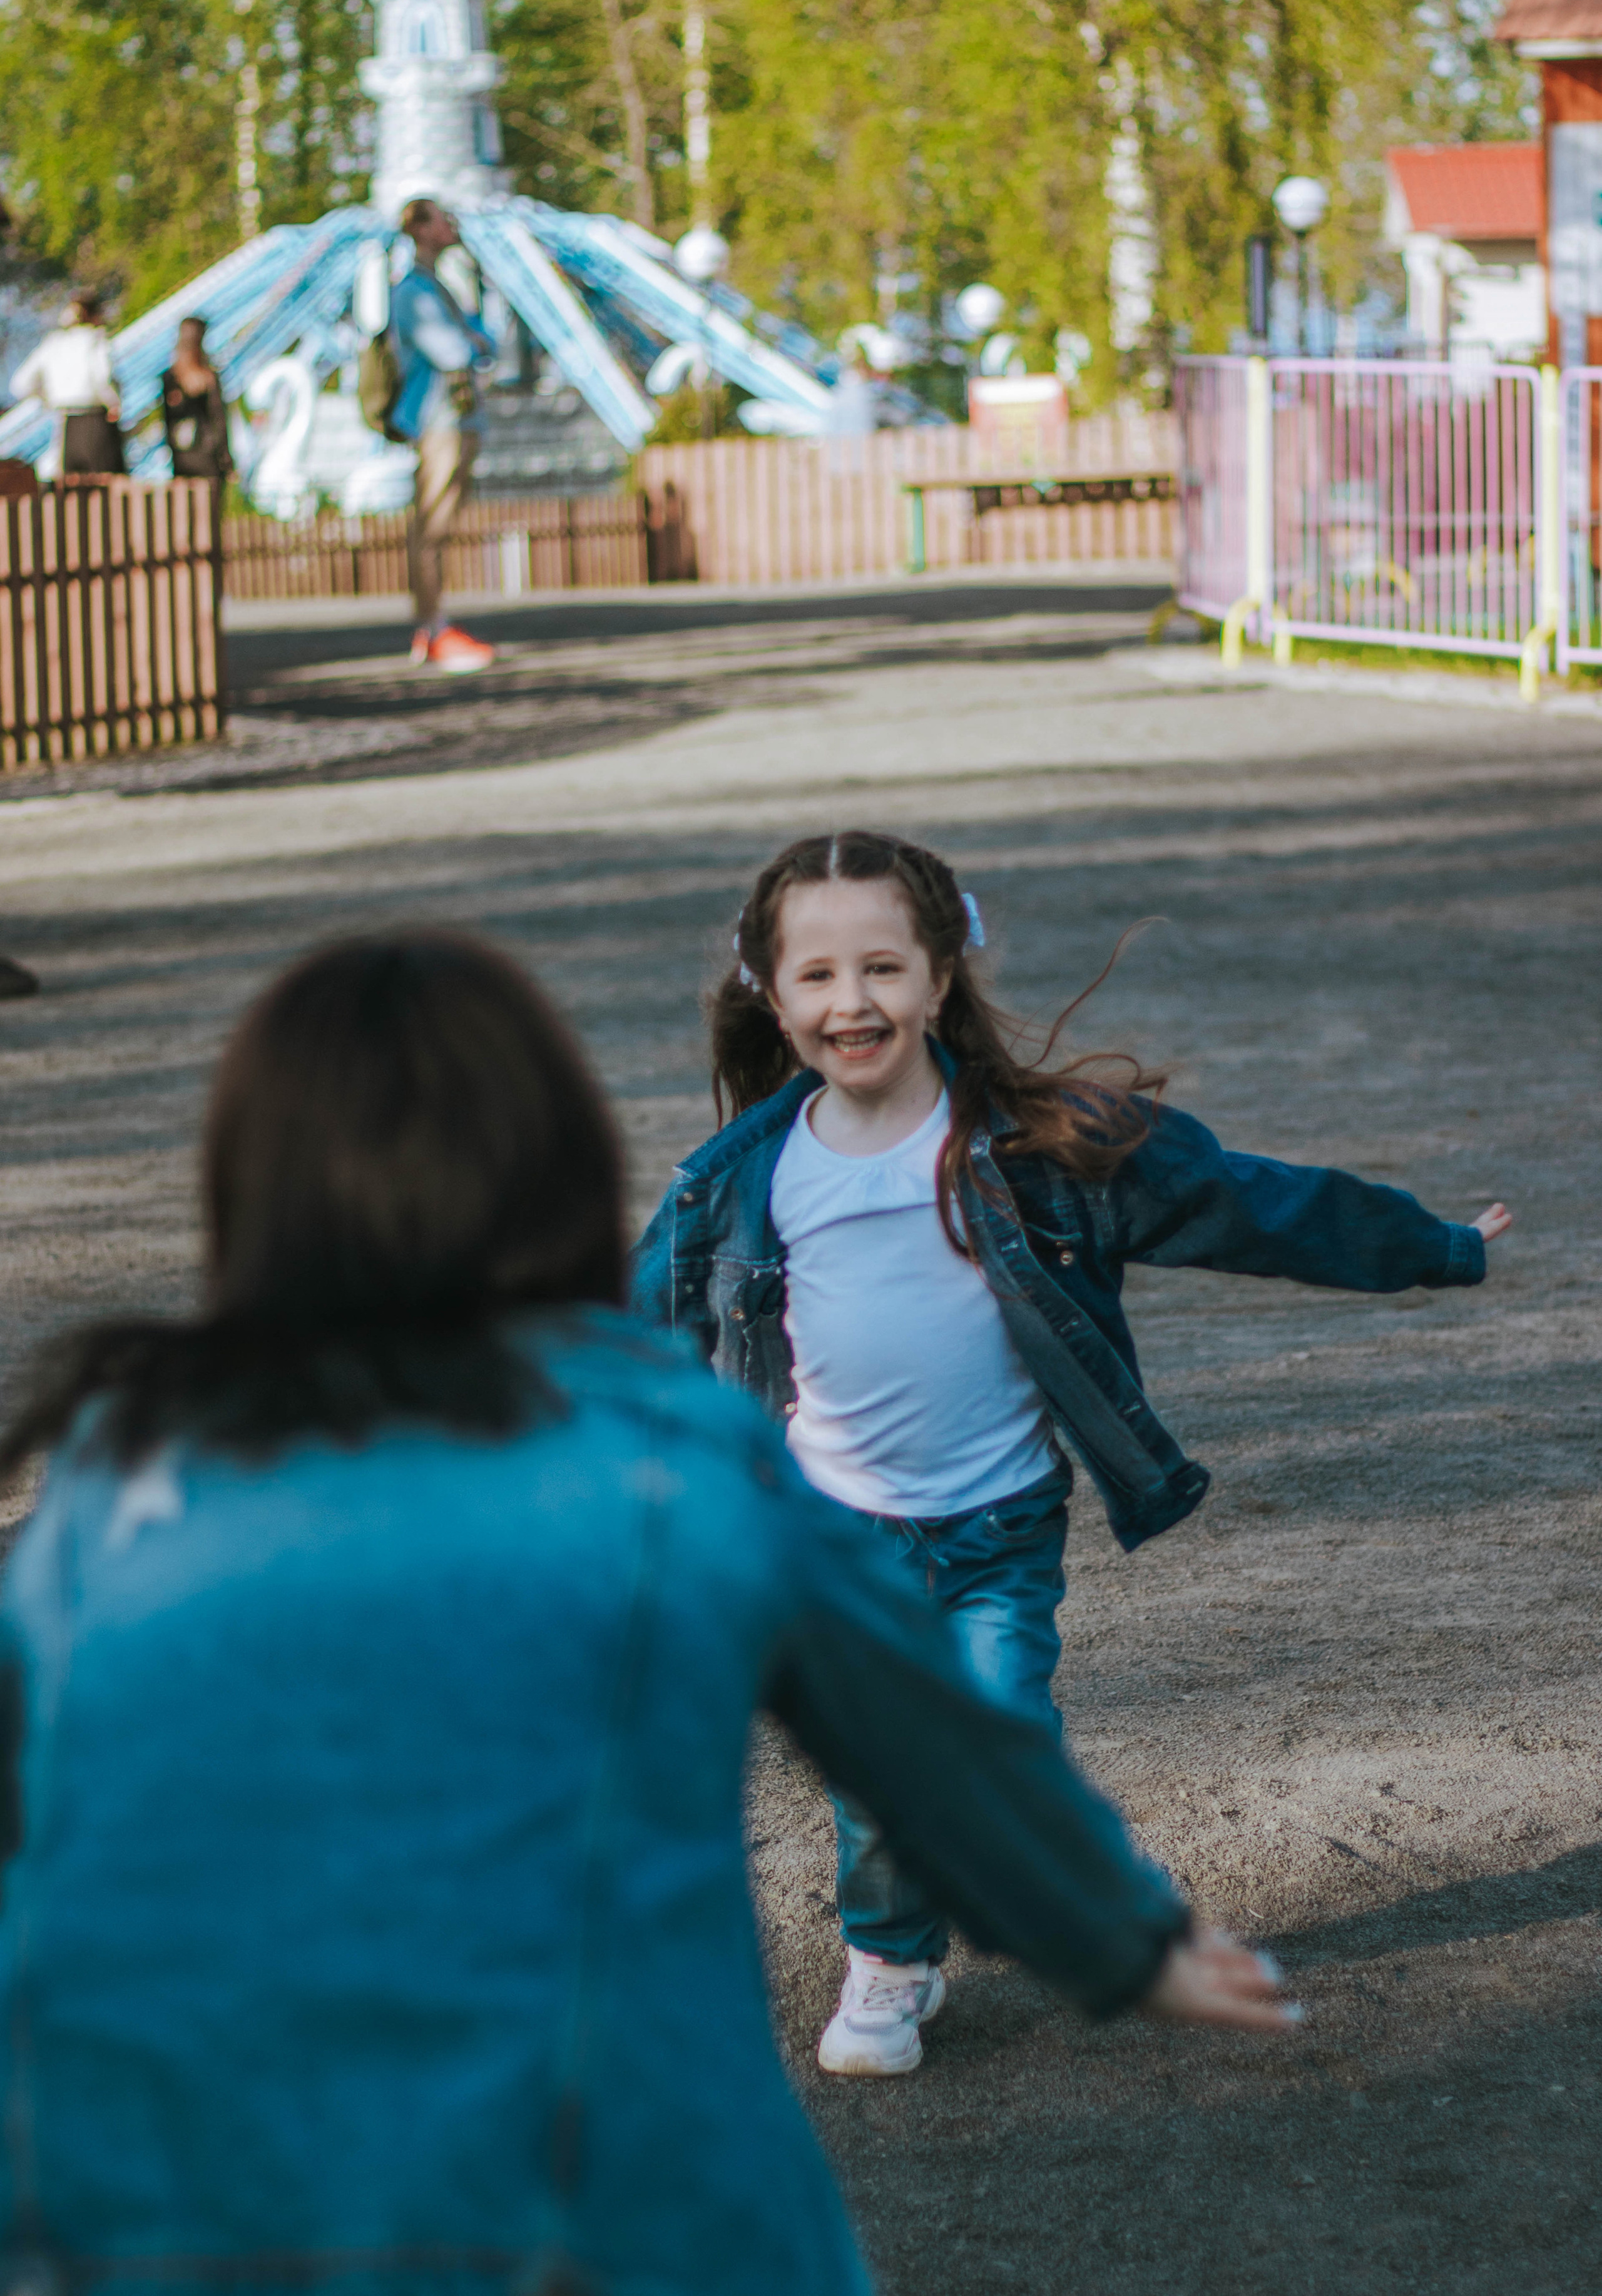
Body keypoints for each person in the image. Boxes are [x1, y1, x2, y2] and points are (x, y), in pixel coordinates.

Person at [0, 932, 1292, 2296]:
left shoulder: (115, 1474)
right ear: (554, 1173)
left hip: (155, 2208)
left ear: (245, 1195)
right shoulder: (661, 1449)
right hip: (611, 2200)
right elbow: (921, 1730)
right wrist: (1117, 1938)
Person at [632, 828, 1514, 2078]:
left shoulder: (1037, 1146)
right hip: (832, 1545)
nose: (852, 1002)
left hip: (996, 1530)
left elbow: (1243, 1200)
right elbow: (621, 1347)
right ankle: (889, 1956)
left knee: (992, 1732)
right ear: (768, 995)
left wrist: (1430, 1244)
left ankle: (1067, 1910)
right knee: (882, 1773)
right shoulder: (734, 1183)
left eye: (882, 968)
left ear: (941, 975)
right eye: (817, 976)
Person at [389, 197, 497, 674]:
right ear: (421, 228)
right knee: (432, 526)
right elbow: (457, 349)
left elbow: (485, 341)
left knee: (438, 524)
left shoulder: (439, 286)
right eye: (442, 219)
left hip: (451, 418)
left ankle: (430, 627)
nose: (453, 225)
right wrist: (472, 342)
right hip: (439, 420)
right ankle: (435, 628)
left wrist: (474, 341)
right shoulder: (413, 291)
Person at [9, 290, 125, 479]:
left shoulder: (53, 343)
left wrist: (47, 398)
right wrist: (114, 404)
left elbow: (20, 384)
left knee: (72, 492)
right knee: (108, 489)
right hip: (96, 423)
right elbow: (104, 377)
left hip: (65, 424)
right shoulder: (96, 340)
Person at [161, 315, 232, 495]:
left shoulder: (170, 379)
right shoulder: (208, 378)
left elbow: (167, 424)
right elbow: (219, 418)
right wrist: (226, 457)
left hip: (182, 458)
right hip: (207, 459)